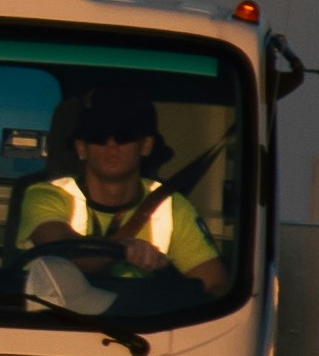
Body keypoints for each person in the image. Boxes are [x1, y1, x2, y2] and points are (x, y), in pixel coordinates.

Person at [17, 83, 224, 294]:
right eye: (98, 134)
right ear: (81, 148)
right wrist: (124, 249)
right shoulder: (45, 195)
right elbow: (67, 256)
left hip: (143, 324)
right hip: (55, 323)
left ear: (146, 145)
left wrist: (169, 276)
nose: (111, 144)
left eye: (124, 134)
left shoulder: (171, 206)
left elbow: (215, 285)